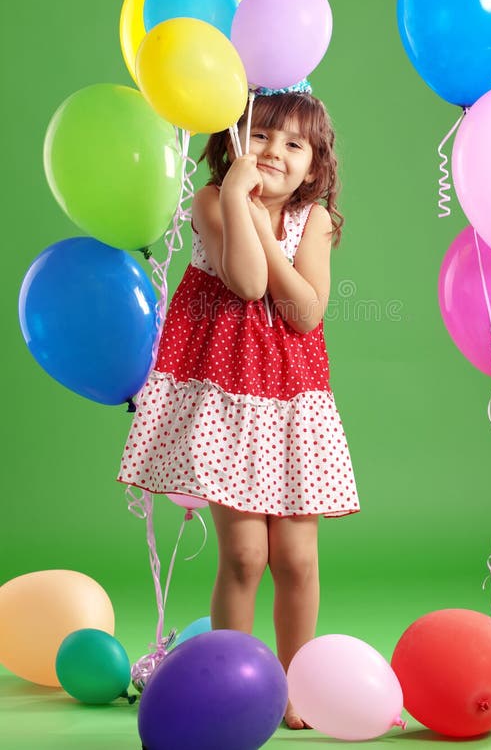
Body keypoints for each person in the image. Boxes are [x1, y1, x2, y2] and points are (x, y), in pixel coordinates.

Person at [118, 81, 360, 729]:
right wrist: (238, 202)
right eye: (260, 134)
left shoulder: (316, 221)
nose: (275, 152)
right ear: (231, 142)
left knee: (297, 558)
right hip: (223, 399)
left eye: (294, 143)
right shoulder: (209, 200)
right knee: (247, 554)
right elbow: (245, 280)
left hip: (291, 403)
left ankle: (294, 687)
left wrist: (267, 225)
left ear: (316, 163)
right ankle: (237, 685)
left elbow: (305, 312)